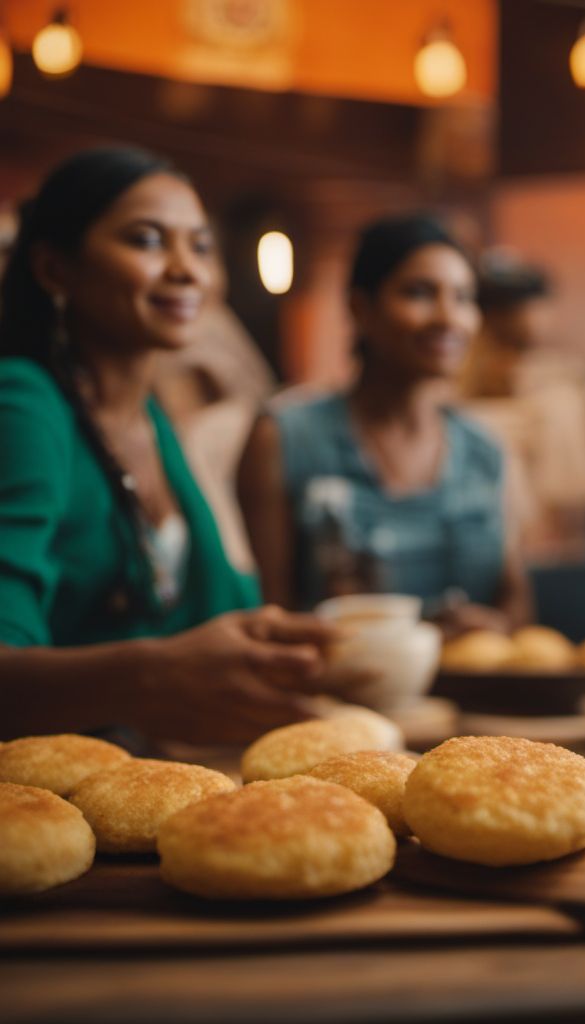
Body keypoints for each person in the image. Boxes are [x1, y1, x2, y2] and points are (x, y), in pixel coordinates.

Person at [0, 146, 337, 745]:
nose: (188, 270)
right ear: (55, 269)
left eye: (201, 245)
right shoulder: (25, 406)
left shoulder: (150, 417)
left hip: (149, 771)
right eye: (148, 240)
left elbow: (222, 616)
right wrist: (149, 676)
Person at [238, 214, 532, 636]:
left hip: (473, 694)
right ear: (362, 308)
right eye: (419, 293)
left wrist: (493, 626)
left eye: (464, 298)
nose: (448, 318)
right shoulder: (285, 438)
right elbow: (272, 615)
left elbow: (517, 603)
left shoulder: (485, 450)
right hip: (338, 694)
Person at [460, 250, 585, 559]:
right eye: (522, 309)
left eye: (540, 307)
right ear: (493, 316)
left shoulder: (567, 375)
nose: (535, 318)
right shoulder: (462, 370)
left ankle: (566, 540)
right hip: (503, 527)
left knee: (561, 407)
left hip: (569, 520)